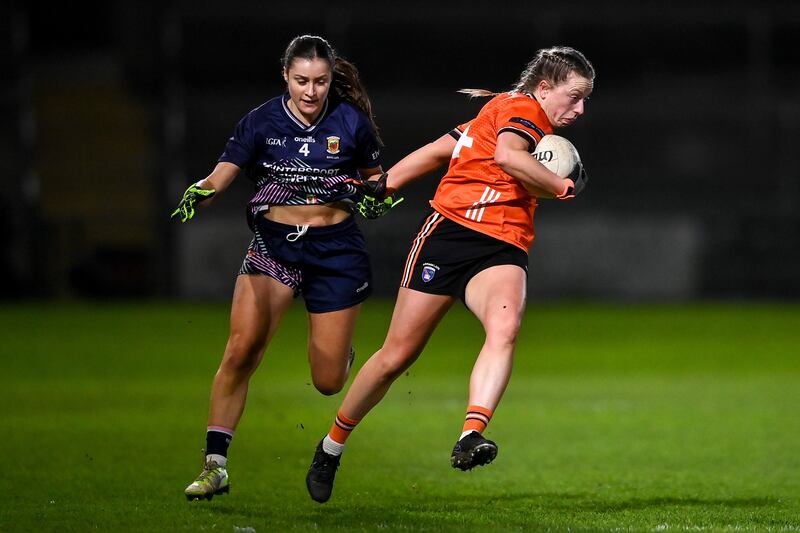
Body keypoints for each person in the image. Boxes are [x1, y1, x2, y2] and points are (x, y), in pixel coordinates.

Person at [304, 45, 595, 503]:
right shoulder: (521, 109)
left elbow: (445, 148)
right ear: (544, 88)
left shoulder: (500, 108)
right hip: (450, 235)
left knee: (505, 328)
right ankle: (330, 448)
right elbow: (507, 157)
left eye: (585, 100)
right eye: (574, 96)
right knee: (396, 356)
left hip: (503, 245)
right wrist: (562, 185)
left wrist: (387, 182)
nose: (579, 109)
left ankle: (470, 434)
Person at [174, 34, 388, 501]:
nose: (311, 92)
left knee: (328, 382)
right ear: (285, 76)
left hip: (336, 252)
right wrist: (201, 192)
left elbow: (376, 181)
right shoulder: (260, 121)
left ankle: (340, 352)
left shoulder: (351, 121)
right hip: (274, 248)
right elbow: (222, 173)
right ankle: (215, 466)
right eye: (301, 81)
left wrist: (376, 197)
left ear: (332, 79)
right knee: (240, 350)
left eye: (321, 82)